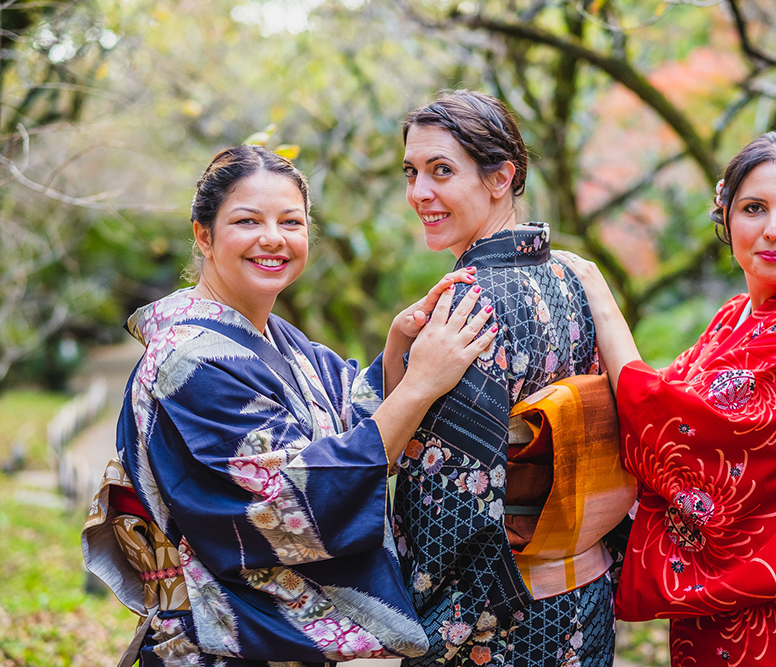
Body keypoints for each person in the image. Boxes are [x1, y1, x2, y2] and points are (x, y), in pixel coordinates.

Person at [82, 144, 499, 666]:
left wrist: (398, 348)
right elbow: (299, 503)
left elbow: (353, 421)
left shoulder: (279, 338)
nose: (273, 238)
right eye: (247, 220)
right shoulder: (190, 360)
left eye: (291, 221)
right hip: (218, 647)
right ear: (203, 234)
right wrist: (418, 386)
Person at [558, 131, 776, 666]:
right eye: (753, 208)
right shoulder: (732, 318)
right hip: (717, 609)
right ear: (726, 217)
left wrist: (602, 302)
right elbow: (651, 402)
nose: (773, 230)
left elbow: (684, 427)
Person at [371, 89, 631, 667]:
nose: (420, 193)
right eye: (411, 172)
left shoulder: (468, 304)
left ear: (499, 178)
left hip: (503, 620)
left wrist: (429, 631)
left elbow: (450, 503)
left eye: (442, 171)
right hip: (585, 597)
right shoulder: (570, 276)